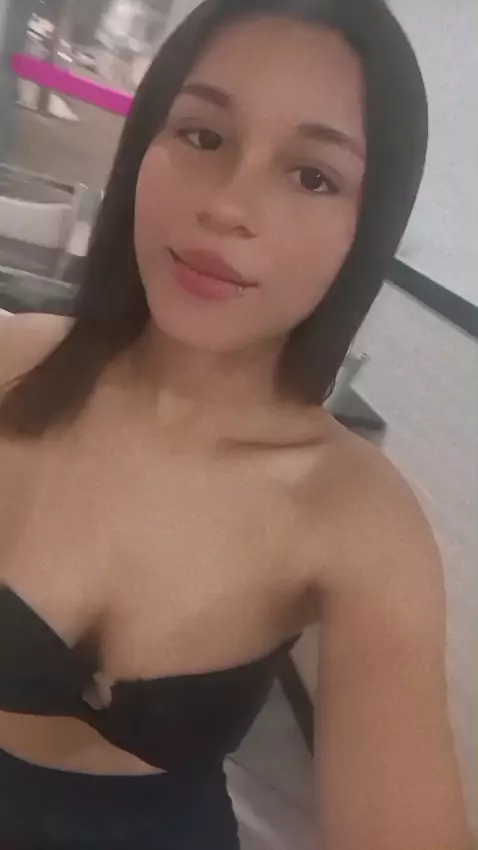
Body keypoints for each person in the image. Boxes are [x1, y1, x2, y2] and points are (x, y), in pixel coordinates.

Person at [0, 0, 470, 847]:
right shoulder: (13, 367)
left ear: (366, 228)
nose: (228, 205)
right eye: (204, 135)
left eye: (313, 176)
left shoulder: (359, 520)